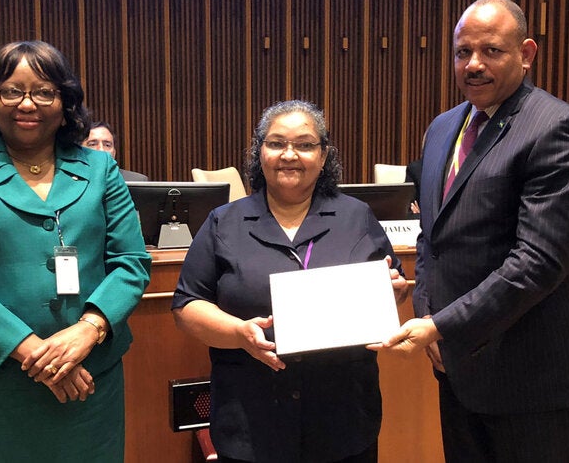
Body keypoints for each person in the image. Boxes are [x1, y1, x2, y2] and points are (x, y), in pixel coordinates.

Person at [370, 0, 569, 462]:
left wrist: (439, 325)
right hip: (458, 367)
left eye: (492, 51)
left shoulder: (556, 128)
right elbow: (432, 236)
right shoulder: (442, 128)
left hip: (530, 374)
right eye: (462, 52)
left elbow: (537, 264)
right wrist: (427, 307)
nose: (473, 65)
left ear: (526, 53)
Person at [0, 40, 151, 462]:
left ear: (65, 103)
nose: (27, 103)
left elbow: (131, 263)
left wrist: (88, 330)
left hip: (89, 381)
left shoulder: (100, 169)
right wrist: (35, 354)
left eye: (44, 91)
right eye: (12, 90)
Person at [172, 99, 409, 462]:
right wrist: (238, 333)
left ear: (324, 154)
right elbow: (187, 305)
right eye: (276, 142)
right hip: (251, 418)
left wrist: (392, 291)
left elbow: (394, 286)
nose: (289, 154)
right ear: (259, 151)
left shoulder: (357, 217)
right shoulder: (224, 222)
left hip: (342, 417)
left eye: (304, 144)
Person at [81, 120, 149, 180]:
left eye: (107, 145)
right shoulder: (71, 182)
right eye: (93, 144)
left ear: (114, 153)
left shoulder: (136, 180)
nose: (101, 150)